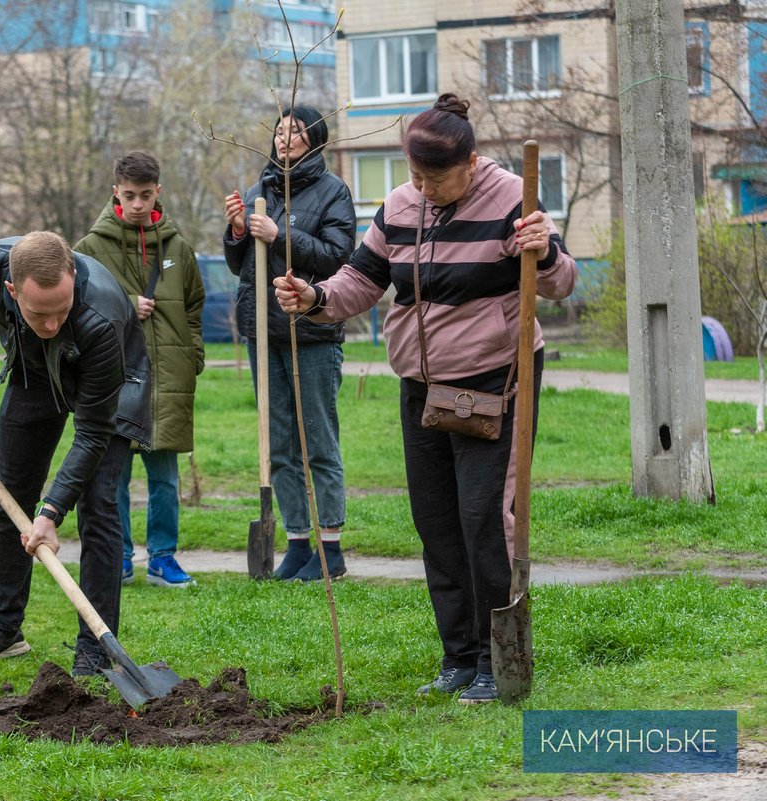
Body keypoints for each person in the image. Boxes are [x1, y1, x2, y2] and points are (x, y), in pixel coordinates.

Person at [275, 93, 577, 704]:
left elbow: (561, 283)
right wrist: (314, 298)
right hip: (420, 385)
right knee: (435, 523)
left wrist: (542, 249)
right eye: (414, 176)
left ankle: (498, 659)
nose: (422, 188)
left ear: (469, 163)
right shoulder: (400, 204)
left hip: (496, 379)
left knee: (484, 520)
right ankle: (459, 657)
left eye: (433, 178)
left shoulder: (514, 197)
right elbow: (363, 278)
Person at [0, 232, 151, 677]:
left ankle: (95, 649)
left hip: (112, 384)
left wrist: (52, 511)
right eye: (39, 313)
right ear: (10, 289)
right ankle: (5, 631)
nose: (51, 324)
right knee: (11, 496)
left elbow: (93, 435)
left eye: (62, 310)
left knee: (98, 506)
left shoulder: (101, 315)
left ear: (73, 278)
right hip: (35, 372)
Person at [222, 104, 356, 581]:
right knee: (278, 442)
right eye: (279, 131)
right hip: (264, 332)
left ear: (314, 140)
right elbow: (242, 264)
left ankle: (332, 548)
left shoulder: (333, 192)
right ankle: (298, 543)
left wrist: (281, 235)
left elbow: (340, 258)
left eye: (295, 132)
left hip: (313, 332)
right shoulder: (261, 190)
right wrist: (238, 231)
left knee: (317, 439)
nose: (284, 139)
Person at [75, 151, 205, 588]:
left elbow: (193, 309)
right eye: (129, 195)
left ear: (158, 193)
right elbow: (74, 307)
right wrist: (127, 307)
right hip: (112, 377)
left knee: (165, 479)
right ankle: (120, 556)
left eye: (145, 195)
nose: (136, 204)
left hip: (168, 377)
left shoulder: (178, 248)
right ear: (115, 191)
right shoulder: (89, 249)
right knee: (113, 477)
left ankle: (163, 558)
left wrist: (195, 356)